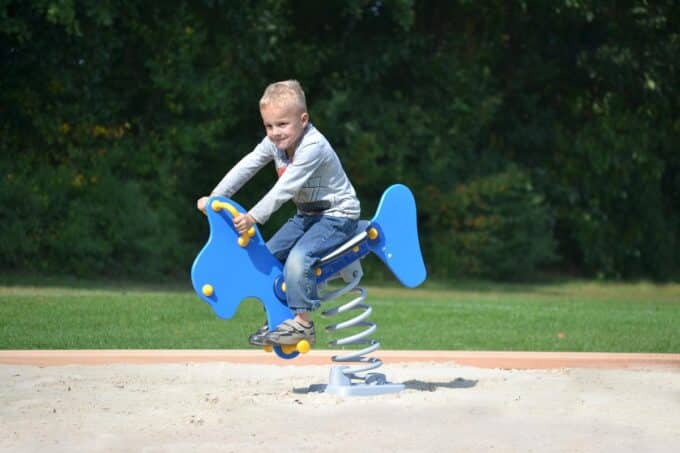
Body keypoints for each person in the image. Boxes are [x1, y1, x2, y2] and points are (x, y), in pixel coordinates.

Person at [196, 80, 360, 347]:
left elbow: (285, 189)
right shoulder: (275, 143)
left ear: (303, 120)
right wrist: (216, 197)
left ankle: (303, 324)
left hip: (338, 216)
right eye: (269, 126)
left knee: (299, 258)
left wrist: (252, 217)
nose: (275, 133)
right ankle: (280, 319)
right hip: (308, 215)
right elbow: (247, 165)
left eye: (282, 124)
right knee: (266, 257)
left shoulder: (313, 146)